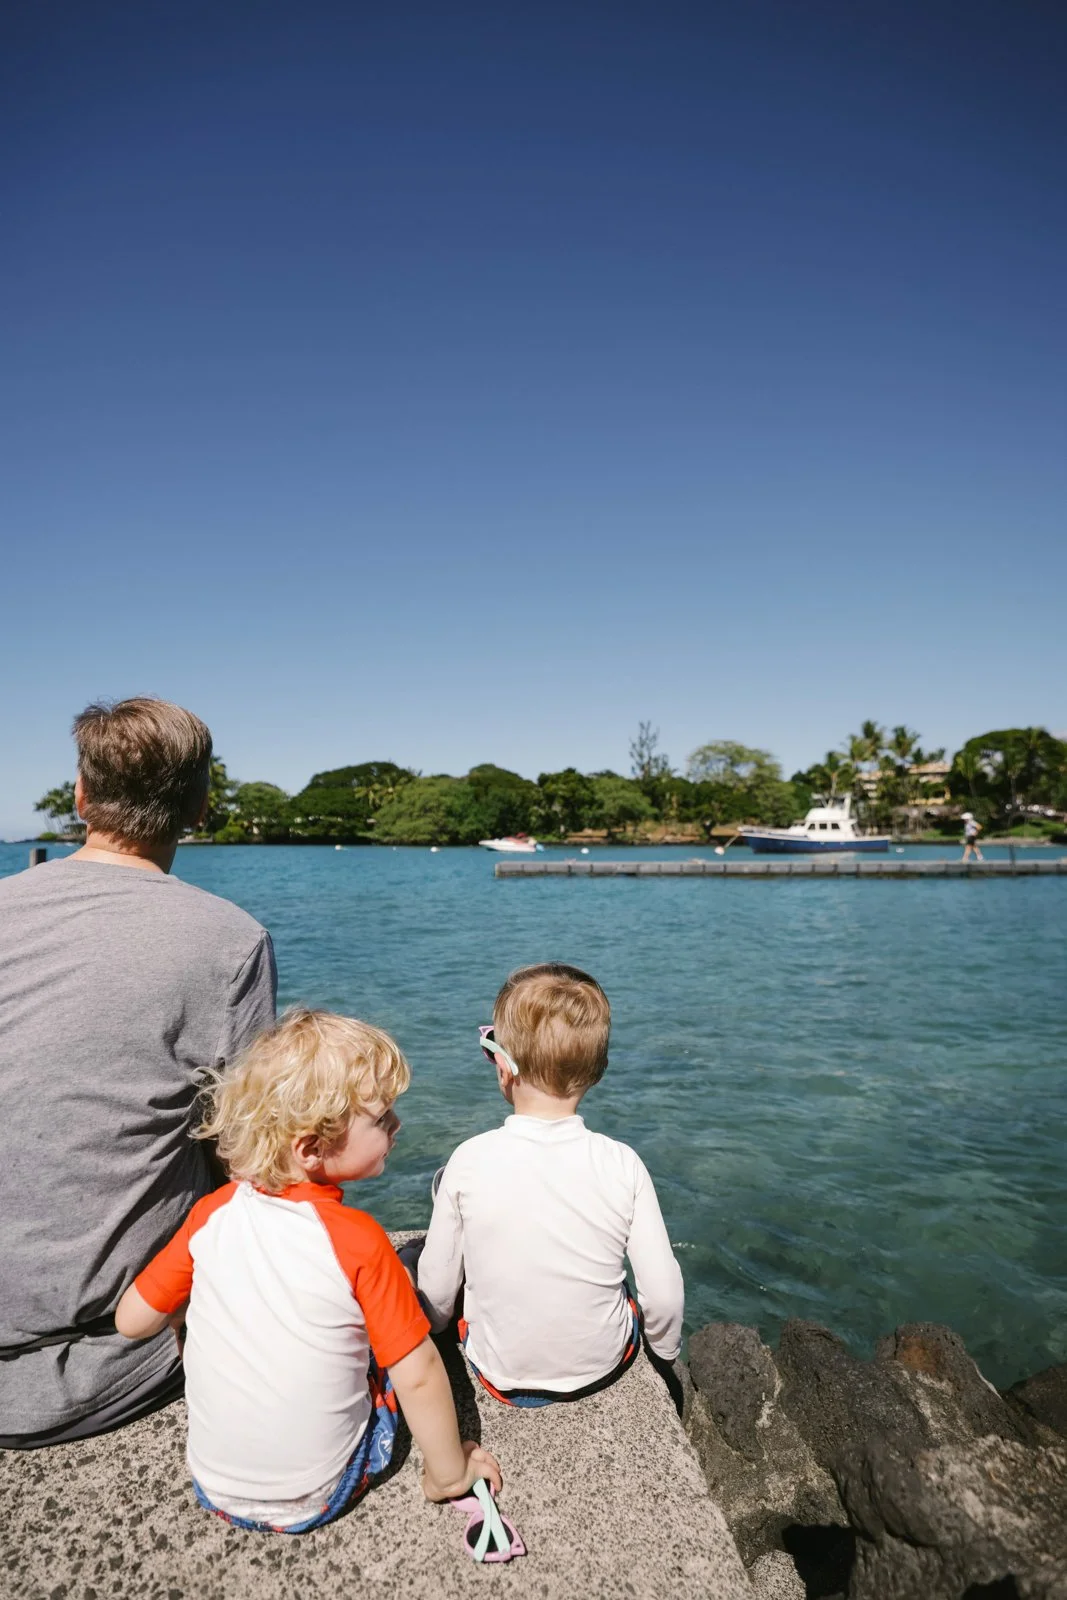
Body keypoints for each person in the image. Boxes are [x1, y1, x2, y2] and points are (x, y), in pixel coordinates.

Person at [0, 698, 277, 1447]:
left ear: (81, 796)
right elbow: (247, 1148)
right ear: (201, 805)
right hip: (99, 1352)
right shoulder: (228, 940)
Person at [115, 1010, 501, 1532]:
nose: (397, 1126)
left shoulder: (212, 1215)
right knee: (393, 1337)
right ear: (311, 1149)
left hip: (214, 1484)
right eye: (382, 1118)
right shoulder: (358, 1240)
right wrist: (448, 1474)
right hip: (318, 1491)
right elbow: (420, 1375)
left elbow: (132, 1321)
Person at [417, 963, 684, 1406]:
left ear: (504, 1065)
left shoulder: (469, 1158)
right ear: (595, 1071)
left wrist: (439, 1327)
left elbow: (438, 1292)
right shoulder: (624, 1164)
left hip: (498, 1373)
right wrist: (665, 1354)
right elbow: (664, 1292)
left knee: (453, 1200)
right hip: (603, 1367)